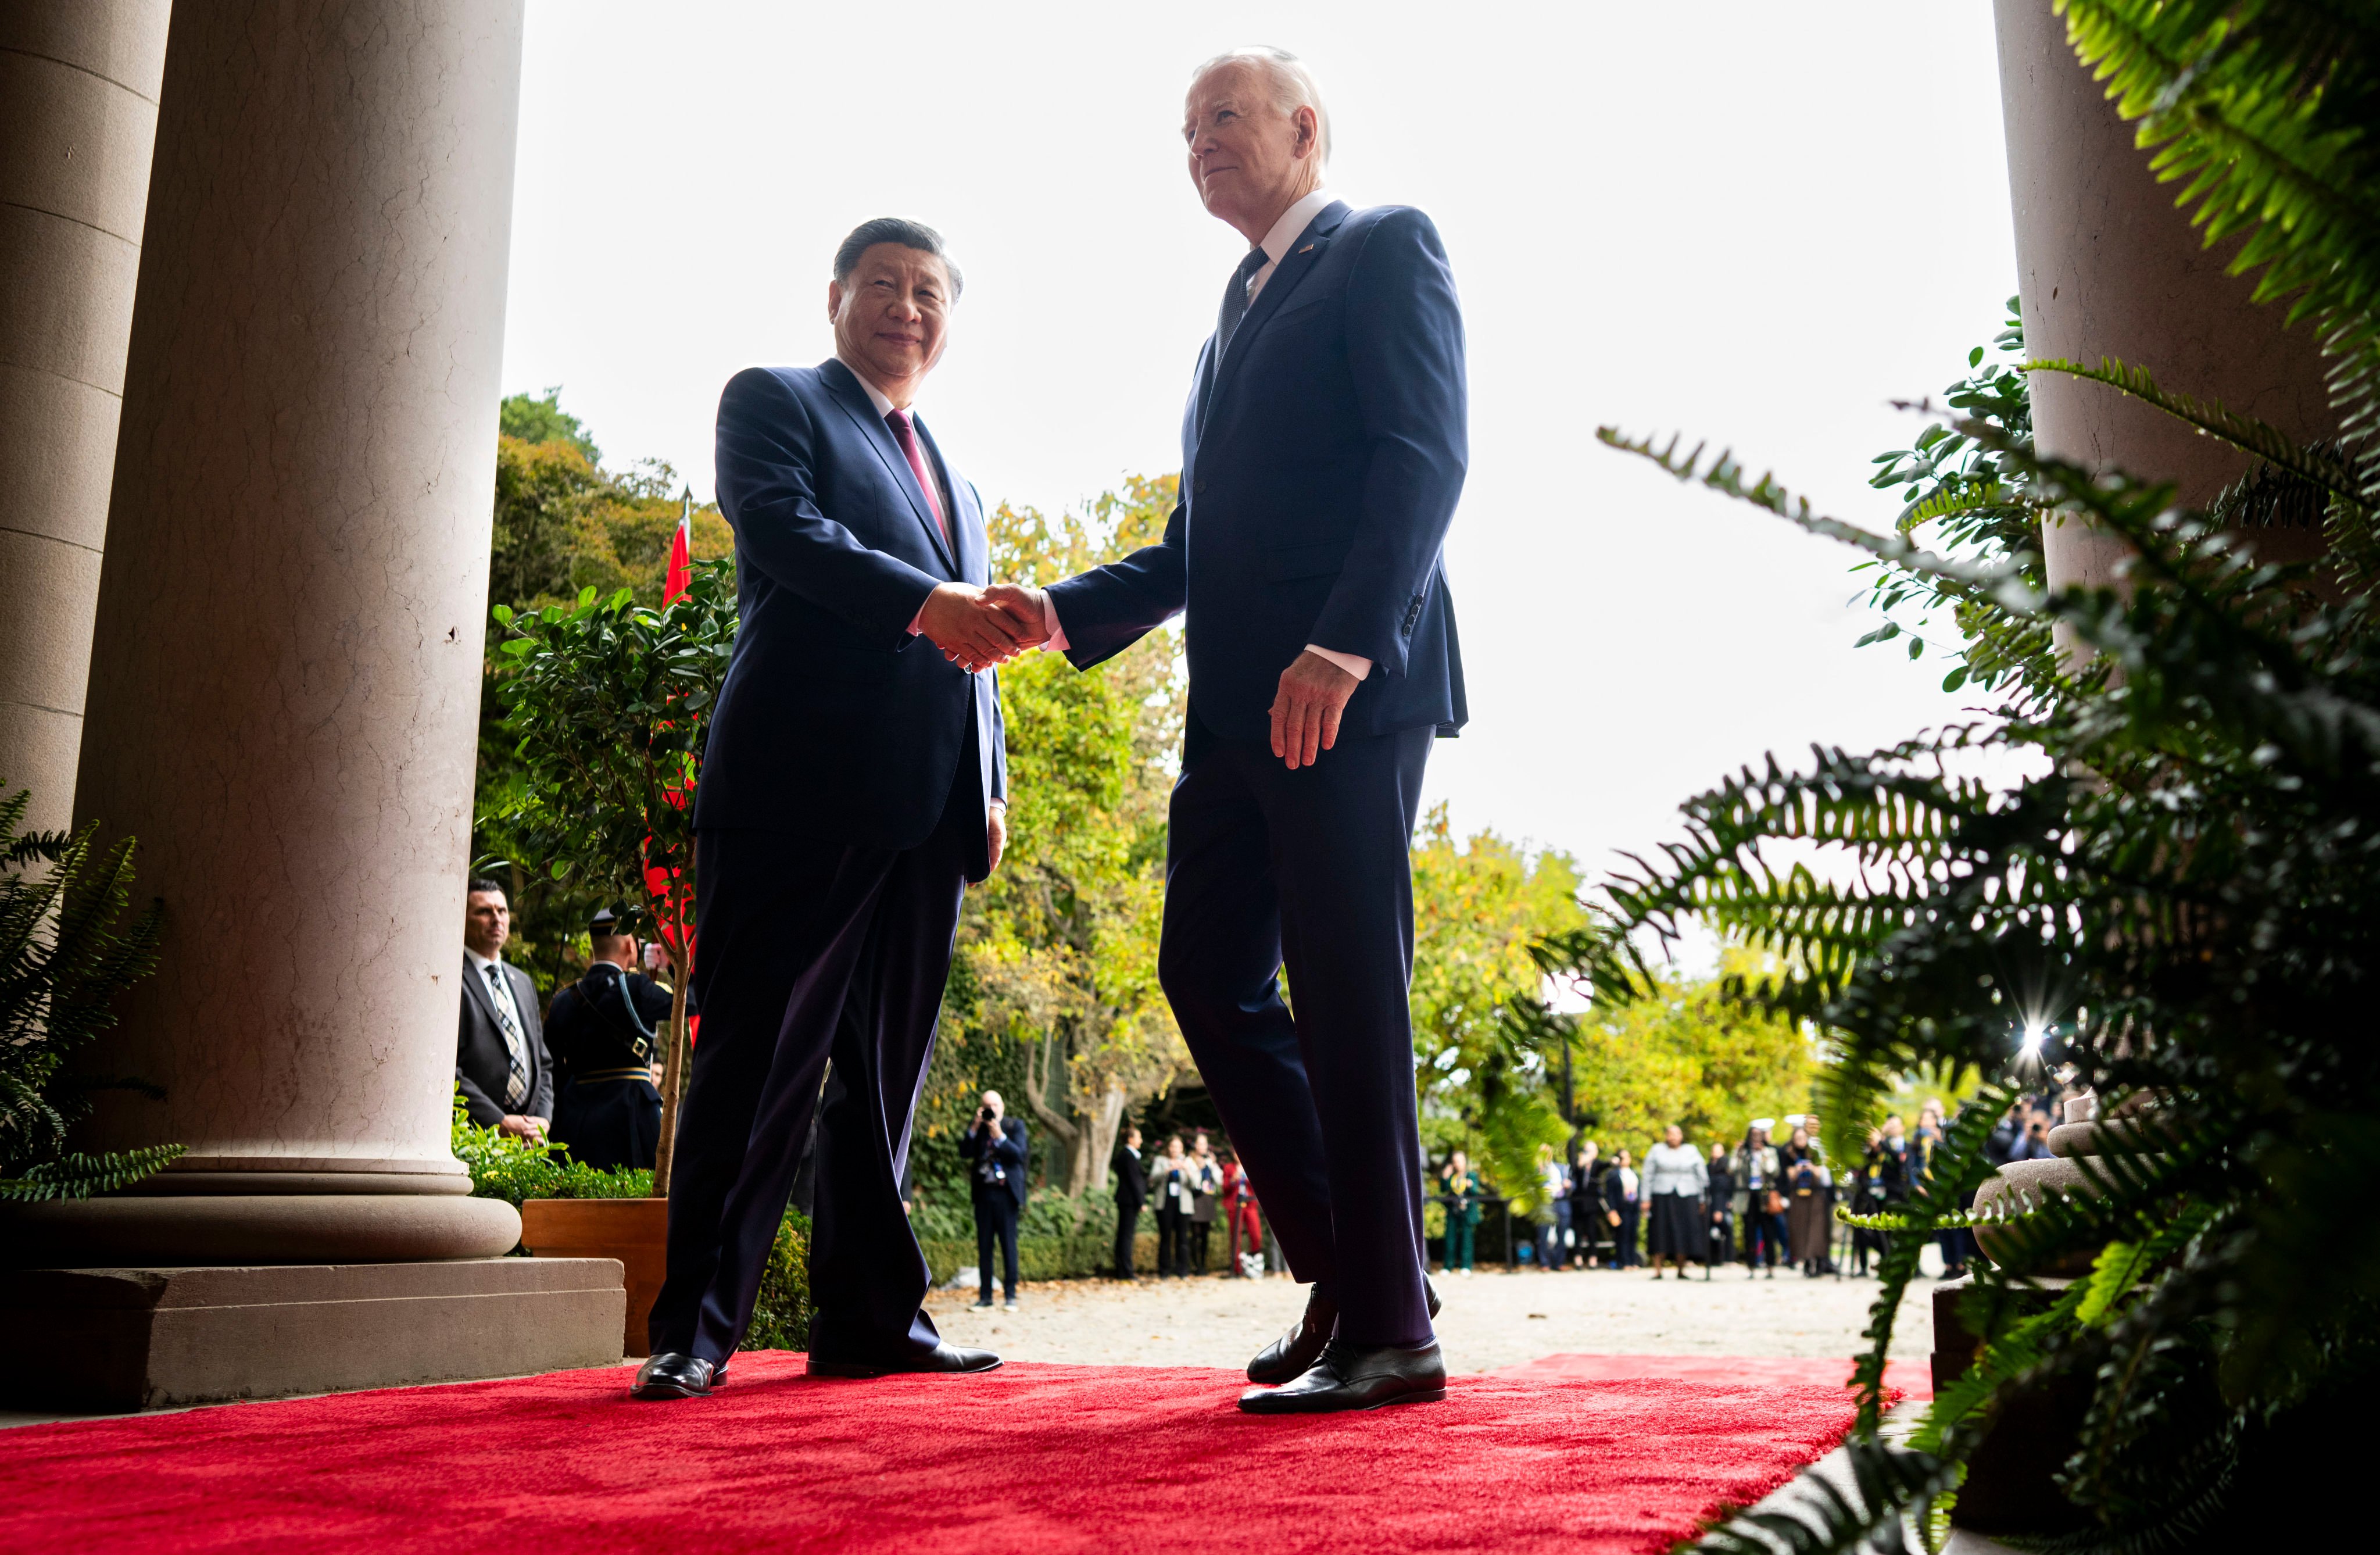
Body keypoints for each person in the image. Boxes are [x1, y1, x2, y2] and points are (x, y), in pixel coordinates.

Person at [986, 45, 1465, 1415]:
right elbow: (1199, 544)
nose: (1198, 142)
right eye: (1185, 127)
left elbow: (1424, 453)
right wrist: (1057, 611)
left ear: (1306, 129)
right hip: (1232, 715)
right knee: (1205, 971)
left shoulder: (1385, 248)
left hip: (1345, 692)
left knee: (1349, 996)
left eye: (1224, 117)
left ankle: (1394, 1334)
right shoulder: (1227, 317)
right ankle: (1356, 1275)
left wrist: (1350, 640)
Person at [633, 219, 1033, 1400]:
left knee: (881, 1080)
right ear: (835, 297)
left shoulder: (954, 472)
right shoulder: (775, 401)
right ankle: (695, 1326)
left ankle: (868, 1317)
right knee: (755, 1058)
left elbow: (980, 646)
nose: (906, 308)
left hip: (930, 809)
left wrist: (992, 775)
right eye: (883, 286)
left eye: (928, 292)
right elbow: (786, 536)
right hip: (797, 790)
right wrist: (929, 601)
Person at [544, 908, 674, 1171]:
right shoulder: (636, 989)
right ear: (629, 945)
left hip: (575, 1122)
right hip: (632, 1117)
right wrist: (671, 964)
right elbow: (694, 1001)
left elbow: (554, 1071)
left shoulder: (563, 1000)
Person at [457, 879, 553, 1143]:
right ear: (462, 918)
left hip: (527, 1138)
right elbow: (446, 1070)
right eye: (484, 911)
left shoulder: (523, 982)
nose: (496, 919)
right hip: (473, 1135)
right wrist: (497, 1121)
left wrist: (543, 1119)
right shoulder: (449, 977)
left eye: (502, 911)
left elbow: (543, 1063)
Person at [959, 1091, 1028, 1311]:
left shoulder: (1015, 1126)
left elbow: (1019, 1155)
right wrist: (973, 1127)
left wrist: (999, 1135)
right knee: (985, 1246)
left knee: (1009, 1245)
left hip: (1006, 1194)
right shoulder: (978, 1129)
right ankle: (985, 1297)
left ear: (1003, 1106)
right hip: (984, 1194)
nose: (992, 1109)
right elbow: (964, 1152)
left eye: (995, 1104)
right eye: (987, 1105)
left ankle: (1011, 1296)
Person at [1641, 1124, 1708, 1278]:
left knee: (1684, 1231)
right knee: (1660, 1231)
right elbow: (1648, 1175)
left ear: (1682, 1136)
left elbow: (1702, 1175)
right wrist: (1646, 1198)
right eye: (1670, 1134)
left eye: (1677, 1134)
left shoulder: (1691, 1150)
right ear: (1666, 1136)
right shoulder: (1657, 1150)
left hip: (1687, 1194)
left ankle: (1681, 1268)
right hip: (1662, 1194)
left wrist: (1703, 1198)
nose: (1673, 1137)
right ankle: (1658, 1269)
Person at [1780, 1124, 1833, 1277]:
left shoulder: (1815, 1152)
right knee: (1800, 1229)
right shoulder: (1788, 1153)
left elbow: (1821, 1173)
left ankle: (1818, 1260)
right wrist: (1798, 1170)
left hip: (1816, 1196)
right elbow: (1788, 1176)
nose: (1801, 1141)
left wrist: (1810, 1168)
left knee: (1816, 1230)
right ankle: (1806, 1261)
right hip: (1798, 1197)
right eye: (1798, 1138)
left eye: (1803, 1138)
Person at [1736, 1123, 1786, 1277]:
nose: (1756, 1139)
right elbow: (1733, 1169)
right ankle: (1751, 1266)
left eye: (1759, 1136)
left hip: (1765, 1196)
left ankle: (1770, 1266)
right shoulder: (1744, 1153)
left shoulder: (1770, 1152)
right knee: (1749, 1232)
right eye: (1754, 1136)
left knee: (1768, 1231)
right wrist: (1738, 1154)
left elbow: (1774, 1171)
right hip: (1748, 1195)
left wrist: (1763, 1155)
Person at [1151, 1135, 1194, 1278]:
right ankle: (1164, 1271)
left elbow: (1196, 1184)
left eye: (1178, 1147)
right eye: (1173, 1146)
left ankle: (1182, 1271)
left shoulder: (1188, 1162)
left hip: (1183, 1206)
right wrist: (1168, 1170)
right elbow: (1152, 1179)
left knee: (1182, 1238)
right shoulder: (1160, 1161)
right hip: (1165, 1205)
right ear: (1168, 1147)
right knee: (1165, 1238)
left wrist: (1187, 1170)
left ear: (1182, 1148)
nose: (1175, 1149)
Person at [1111, 1125, 1147, 1279]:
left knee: (1124, 1236)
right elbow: (1134, 1181)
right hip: (1129, 1200)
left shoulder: (1127, 1155)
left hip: (1126, 1200)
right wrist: (1141, 1202)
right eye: (1139, 1137)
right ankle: (1126, 1272)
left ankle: (1123, 1271)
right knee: (1126, 1236)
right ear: (1131, 1139)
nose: (1141, 1141)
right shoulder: (1128, 1156)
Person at [1221, 1150, 1264, 1277]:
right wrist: (1233, 1179)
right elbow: (1225, 1188)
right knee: (1235, 1236)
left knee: (1256, 1234)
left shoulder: (1250, 1165)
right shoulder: (1229, 1168)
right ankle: (1236, 1268)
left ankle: (1256, 1265)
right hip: (1235, 1204)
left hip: (1250, 1204)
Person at [1440, 1152, 1483, 1275]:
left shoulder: (1472, 1176)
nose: (1457, 1164)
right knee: (1450, 1239)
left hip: (1467, 1211)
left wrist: (1471, 1185)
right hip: (1453, 1210)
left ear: (1465, 1162)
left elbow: (1476, 1191)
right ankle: (1448, 1266)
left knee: (1467, 1240)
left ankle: (1466, 1266)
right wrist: (1445, 1177)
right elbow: (1444, 1189)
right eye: (1455, 1161)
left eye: (1460, 1161)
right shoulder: (1452, 1176)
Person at [1186, 1133, 1223, 1273]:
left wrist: (1213, 1164)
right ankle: (1195, 1265)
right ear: (1195, 1145)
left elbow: (1219, 1180)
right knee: (1195, 1235)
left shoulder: (1210, 1161)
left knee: (1205, 1235)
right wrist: (1198, 1168)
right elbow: (1193, 1183)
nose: (1203, 1147)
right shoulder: (1190, 1160)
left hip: (1208, 1199)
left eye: (1205, 1144)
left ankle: (1203, 1264)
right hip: (1196, 1199)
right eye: (1200, 1144)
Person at [1601, 1148, 1641, 1268]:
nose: (1626, 1160)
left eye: (1628, 1157)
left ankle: (1632, 1261)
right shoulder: (1613, 1174)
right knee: (1622, 1235)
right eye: (1623, 1157)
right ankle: (1623, 1262)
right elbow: (1610, 1194)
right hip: (1621, 1209)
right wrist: (1612, 1210)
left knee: (1632, 1235)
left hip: (1633, 1207)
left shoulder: (1634, 1172)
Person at [1568, 1143, 1603, 1268]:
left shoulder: (1597, 1164)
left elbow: (1606, 1165)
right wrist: (1581, 1164)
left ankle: (1593, 1258)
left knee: (1592, 1231)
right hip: (1578, 1202)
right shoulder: (1579, 1163)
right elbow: (1572, 1175)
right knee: (1578, 1231)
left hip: (1592, 1203)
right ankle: (1578, 1258)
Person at [1536, 1143, 1570, 1271]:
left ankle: (1559, 1263)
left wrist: (1569, 1185)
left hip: (1561, 1203)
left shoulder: (1561, 1168)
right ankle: (1545, 1263)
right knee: (1543, 1235)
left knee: (1562, 1235)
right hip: (1546, 1204)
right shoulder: (1536, 1169)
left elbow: (1574, 1184)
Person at [1704, 1141, 1737, 1268]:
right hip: (1710, 1204)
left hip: (1722, 1205)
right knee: (1710, 1233)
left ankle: (1728, 1258)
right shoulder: (1708, 1168)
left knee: (1727, 1231)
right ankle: (1713, 1259)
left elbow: (1723, 1191)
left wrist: (1720, 1208)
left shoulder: (1726, 1171)